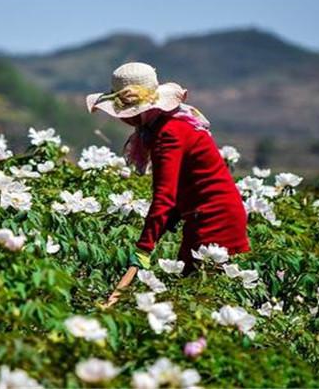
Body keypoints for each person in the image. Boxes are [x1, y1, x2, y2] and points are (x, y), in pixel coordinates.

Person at [86, 62, 250, 273]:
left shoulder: (168, 134)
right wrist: (165, 223)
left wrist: (143, 249)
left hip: (214, 218)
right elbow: (183, 186)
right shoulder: (171, 124)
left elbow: (164, 197)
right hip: (208, 213)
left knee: (200, 288)